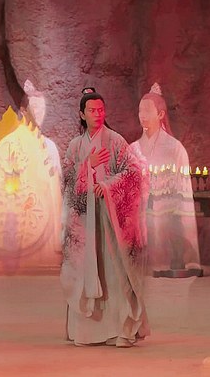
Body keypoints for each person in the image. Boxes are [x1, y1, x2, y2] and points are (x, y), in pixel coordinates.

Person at [60, 87, 149, 348]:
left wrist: (109, 186)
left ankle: (123, 329)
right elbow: (66, 179)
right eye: (91, 110)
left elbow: (134, 172)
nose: (97, 114)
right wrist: (86, 164)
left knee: (115, 272)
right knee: (85, 269)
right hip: (85, 222)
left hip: (110, 220)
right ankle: (88, 332)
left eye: (100, 110)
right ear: (82, 114)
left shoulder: (115, 141)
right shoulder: (76, 146)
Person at [0, 80, 63, 274]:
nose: (39, 114)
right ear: (23, 111)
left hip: (48, 227)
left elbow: (57, 190)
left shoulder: (50, 147)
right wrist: (20, 199)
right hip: (21, 224)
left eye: (42, 109)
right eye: (35, 109)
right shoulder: (10, 145)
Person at [130, 83, 200, 273]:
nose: (142, 115)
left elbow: (182, 191)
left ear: (161, 114)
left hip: (167, 210)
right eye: (140, 110)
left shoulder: (174, 148)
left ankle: (173, 260)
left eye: (147, 110)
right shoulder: (133, 148)